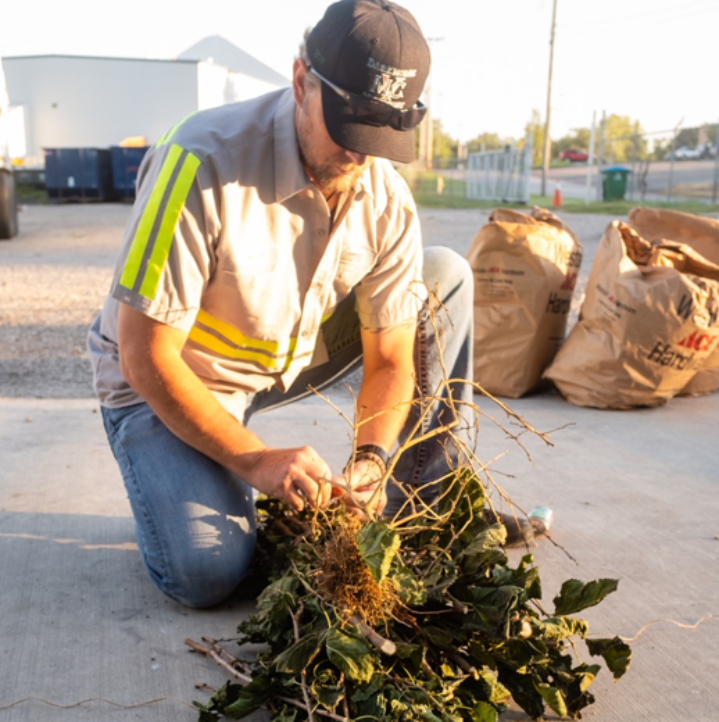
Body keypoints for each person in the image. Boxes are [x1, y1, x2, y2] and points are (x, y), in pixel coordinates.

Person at [88, 0, 491, 609]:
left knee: (446, 276)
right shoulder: (199, 162)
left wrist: (373, 457)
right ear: (302, 80)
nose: (358, 157)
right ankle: (195, 466)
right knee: (207, 574)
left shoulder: (383, 193)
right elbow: (145, 355)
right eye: (349, 128)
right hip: (172, 375)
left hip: (286, 357)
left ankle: (408, 508)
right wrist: (254, 460)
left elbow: (389, 359)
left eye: (380, 136)